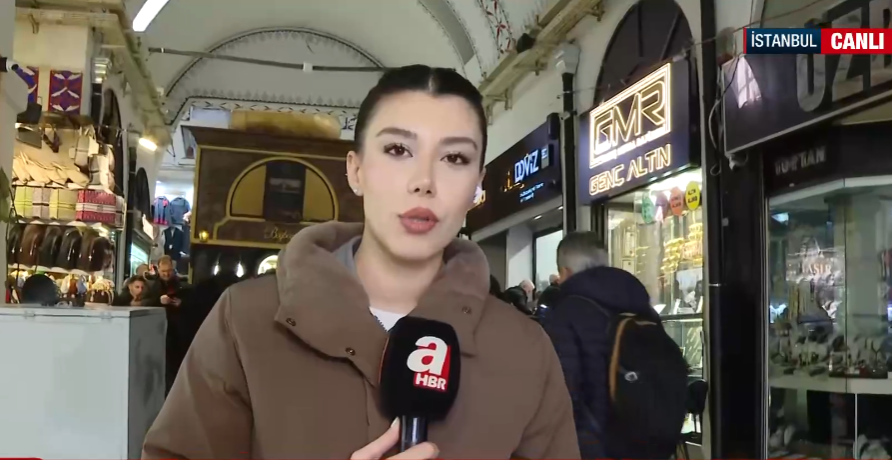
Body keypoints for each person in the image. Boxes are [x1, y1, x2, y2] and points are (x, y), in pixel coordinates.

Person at [142, 65, 578, 460]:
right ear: (356, 171)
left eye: (455, 158)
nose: (424, 181)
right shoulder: (246, 322)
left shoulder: (524, 350)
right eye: (398, 150)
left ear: (476, 187)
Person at [543, 232, 684, 459]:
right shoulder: (641, 308)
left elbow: (563, 394)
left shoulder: (564, 315)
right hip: (648, 443)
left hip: (597, 448)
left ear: (565, 272)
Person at [181, 252, 242, 350]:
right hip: (223, 334)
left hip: (210, 332)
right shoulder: (242, 287)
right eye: (229, 263)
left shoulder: (204, 286)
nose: (230, 267)